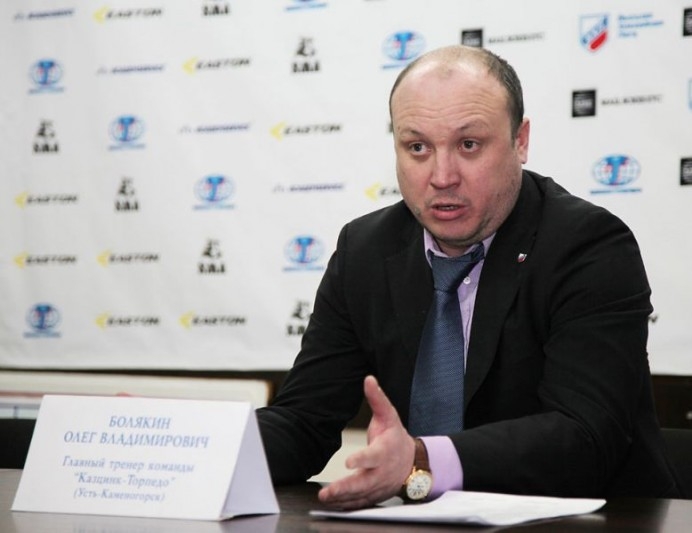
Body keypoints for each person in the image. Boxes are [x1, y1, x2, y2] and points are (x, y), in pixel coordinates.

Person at [256, 44, 680, 509]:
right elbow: (304, 421)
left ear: (520, 141)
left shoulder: (588, 246)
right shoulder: (365, 250)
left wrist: (421, 460)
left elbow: (585, 437)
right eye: (417, 147)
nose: (442, 176)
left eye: (468, 145)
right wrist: (212, 447)